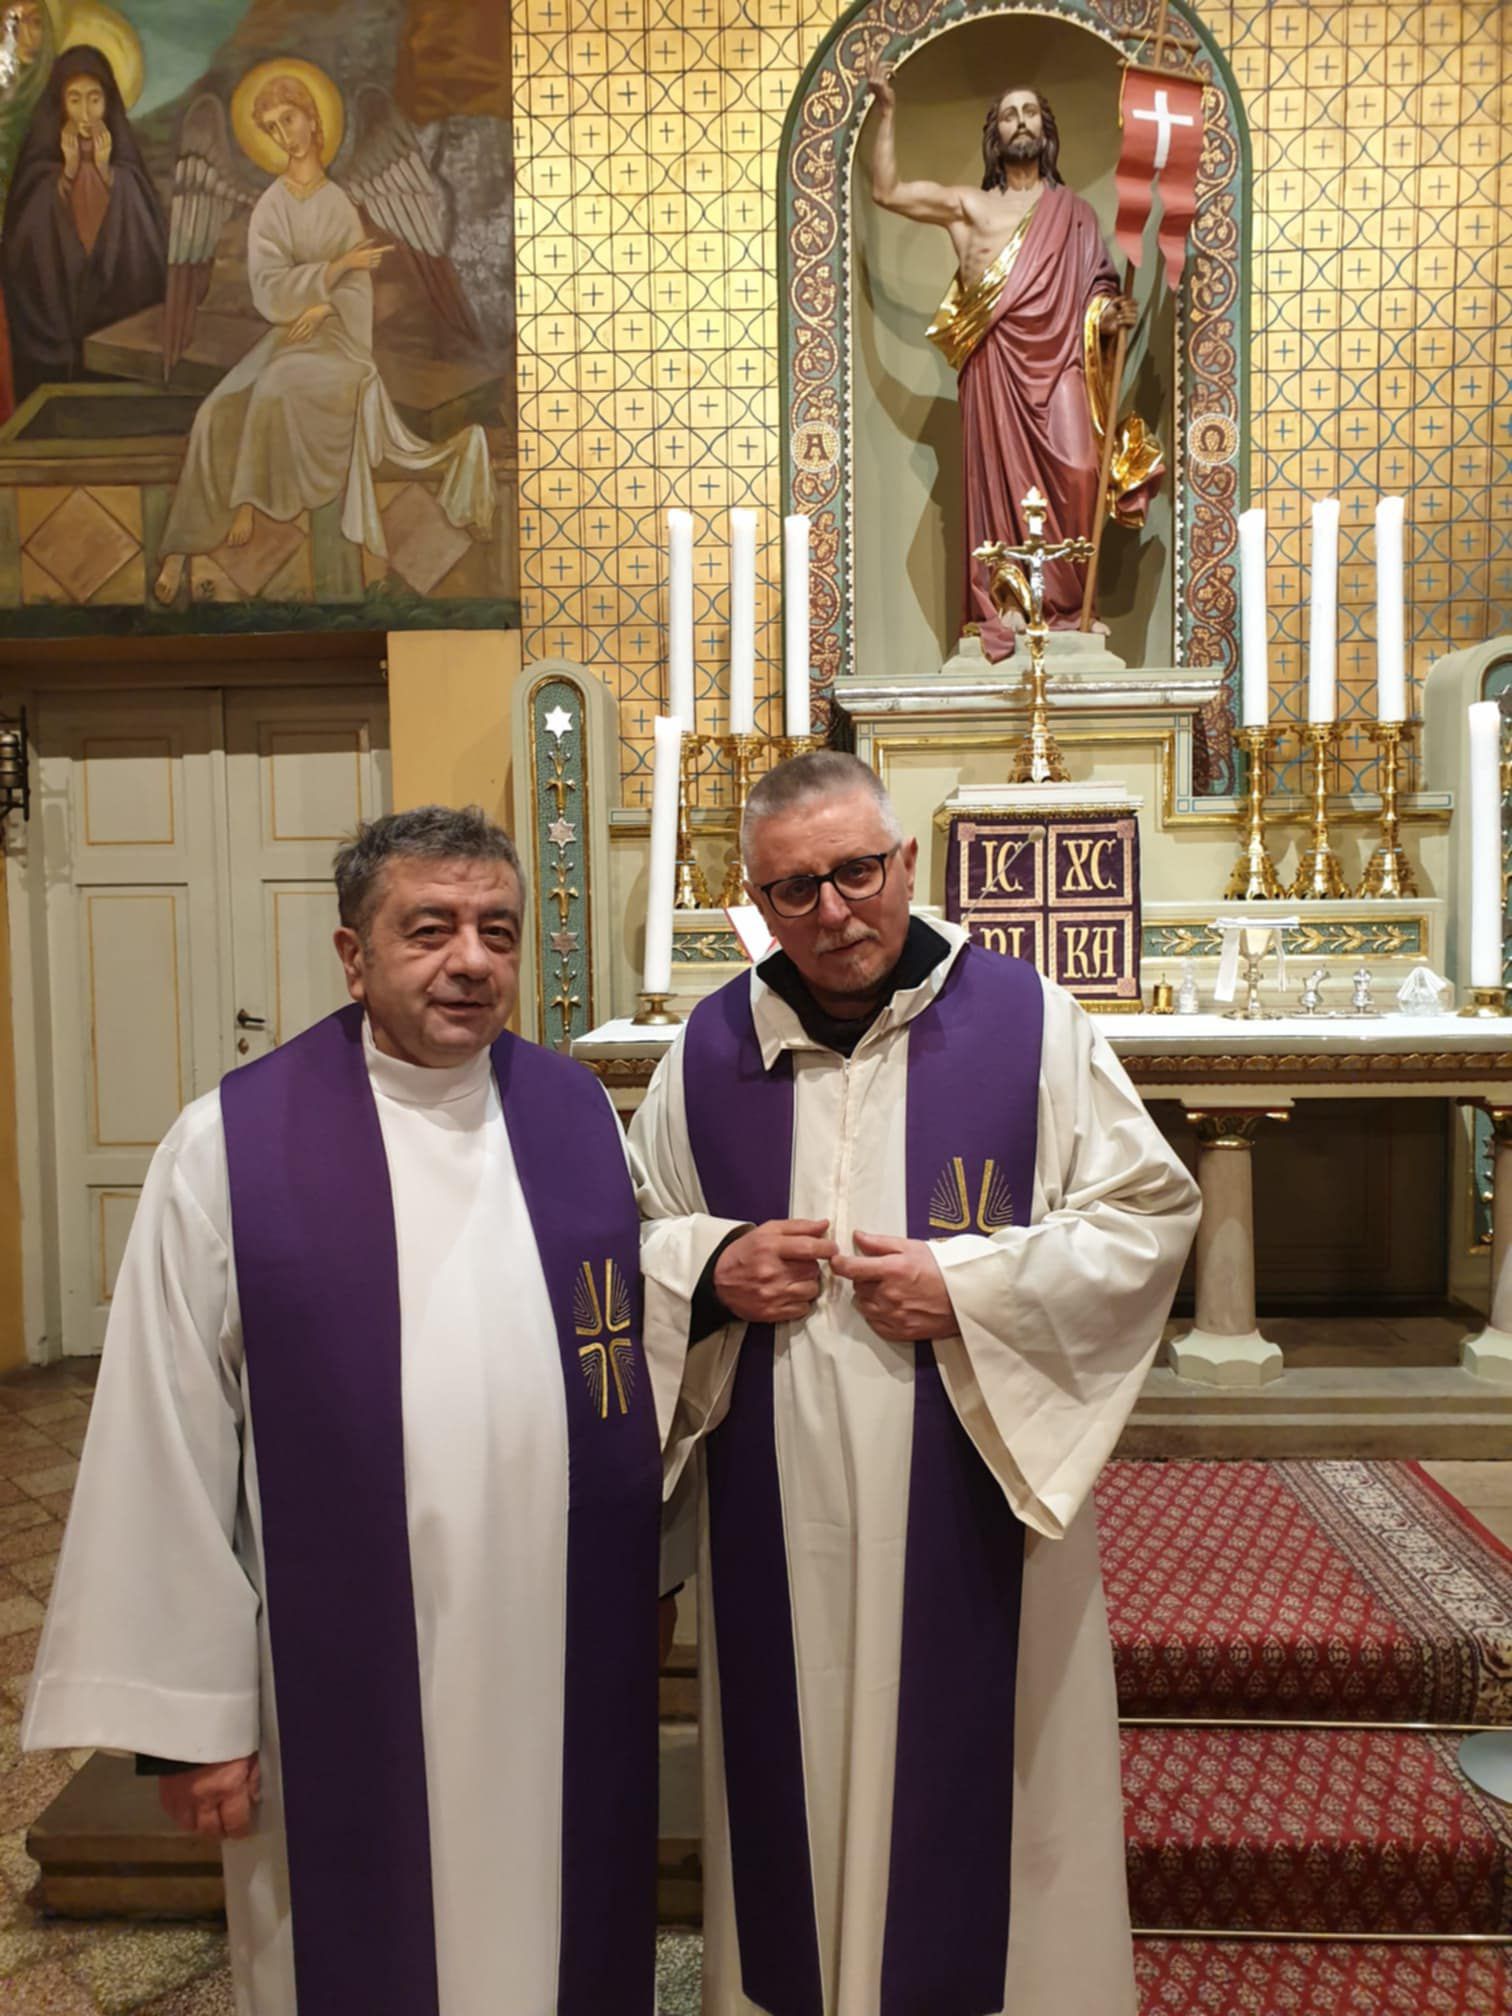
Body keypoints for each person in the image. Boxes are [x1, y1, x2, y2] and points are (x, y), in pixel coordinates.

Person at [24, 806, 666, 2016]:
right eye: (429, 929)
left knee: (558, 1931)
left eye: (496, 931)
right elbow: (163, 1437)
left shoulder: (576, 1117)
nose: (470, 960)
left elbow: (633, 1340)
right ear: (353, 954)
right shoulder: (232, 1143)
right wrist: (193, 1720)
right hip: (341, 1687)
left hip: (554, 1649)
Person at [632, 751, 1200, 2016]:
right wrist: (713, 1265)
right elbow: (630, 1235)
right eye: (794, 889)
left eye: (856, 872)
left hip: (974, 1483)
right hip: (774, 1503)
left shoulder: (1031, 1024)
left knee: (977, 1797)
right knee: (792, 1775)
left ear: (905, 864)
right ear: (755, 900)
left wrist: (973, 1288)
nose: (834, 912)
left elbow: (1147, 1217)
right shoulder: (708, 1049)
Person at [153, 73, 493, 603]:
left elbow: (359, 297)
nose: (283, 135)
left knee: (276, 387)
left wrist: (326, 302)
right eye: (271, 128)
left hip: (341, 344)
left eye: (288, 119)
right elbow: (268, 291)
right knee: (215, 411)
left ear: (313, 119)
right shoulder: (270, 206)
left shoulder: (337, 204)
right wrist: (328, 276)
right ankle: (180, 549)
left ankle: (247, 501)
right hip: (289, 334)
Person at [867, 67, 1163, 658]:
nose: (1020, 122)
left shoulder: (1075, 214)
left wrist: (1107, 316)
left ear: (1045, 130)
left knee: (1080, 468)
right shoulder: (969, 207)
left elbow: (1093, 291)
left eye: (1030, 112)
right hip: (996, 367)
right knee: (1001, 488)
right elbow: (888, 192)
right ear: (995, 134)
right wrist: (888, 111)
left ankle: (1072, 609)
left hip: (1063, 364)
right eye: (1009, 114)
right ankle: (1009, 598)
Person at [0, 42, 166, 405]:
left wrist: (107, 174)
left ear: (108, 102)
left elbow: (147, 247)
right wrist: (67, 175)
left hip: (112, 317)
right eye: (74, 99)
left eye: (95, 98)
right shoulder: (39, 171)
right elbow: (20, 246)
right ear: (60, 103)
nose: (86, 112)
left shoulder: (127, 172)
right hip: (54, 324)